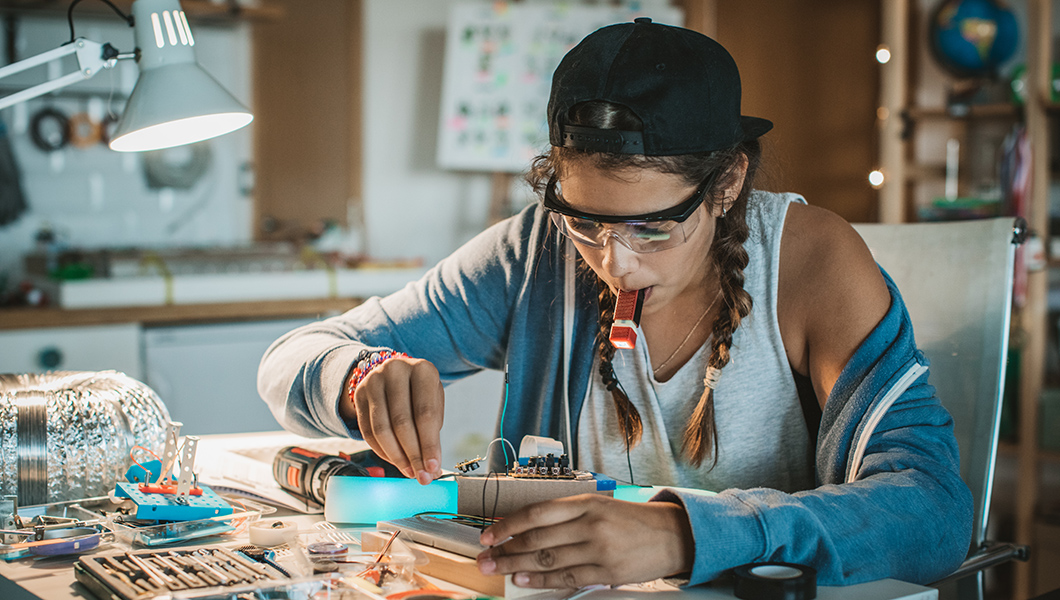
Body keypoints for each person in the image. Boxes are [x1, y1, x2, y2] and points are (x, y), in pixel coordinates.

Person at [258, 18, 971, 590]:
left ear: (726, 183)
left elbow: (934, 509)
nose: (614, 261)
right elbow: (290, 359)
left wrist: (684, 534)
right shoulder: (535, 252)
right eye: (585, 222)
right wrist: (357, 379)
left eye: (653, 228)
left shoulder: (812, 262)